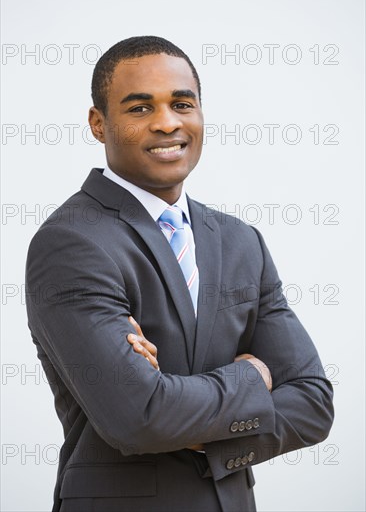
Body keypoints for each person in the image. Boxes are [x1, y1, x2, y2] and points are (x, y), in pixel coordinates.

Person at [25, 36, 334, 512]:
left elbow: (313, 403)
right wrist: (253, 376)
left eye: (182, 104)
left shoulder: (239, 240)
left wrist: (197, 428)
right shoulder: (73, 243)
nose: (167, 122)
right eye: (140, 108)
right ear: (97, 123)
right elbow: (139, 416)